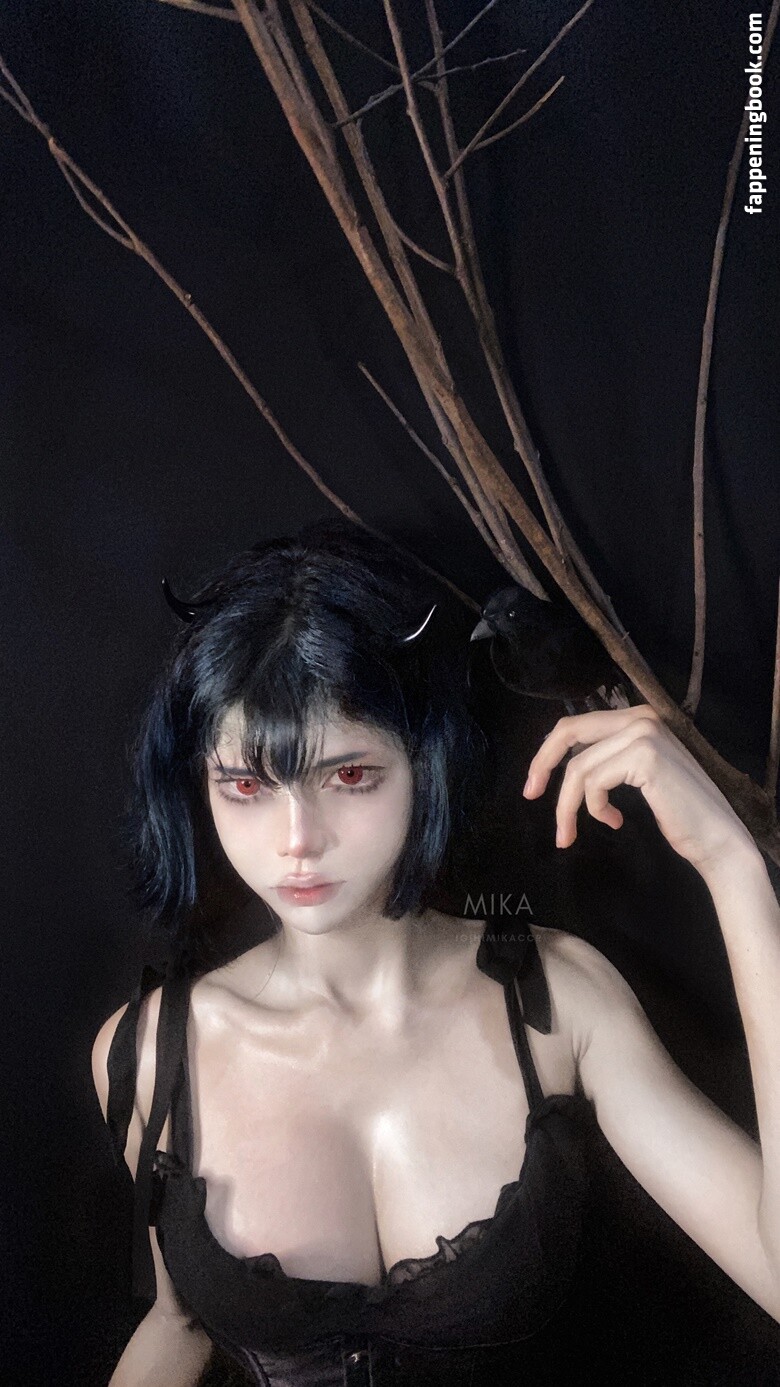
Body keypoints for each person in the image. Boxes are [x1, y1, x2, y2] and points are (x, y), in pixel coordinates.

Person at [92, 518, 780, 1386]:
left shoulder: (558, 1001)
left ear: (425, 763)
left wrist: (732, 868)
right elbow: (176, 1321)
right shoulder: (149, 1055)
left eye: (349, 776)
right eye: (248, 785)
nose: (298, 839)